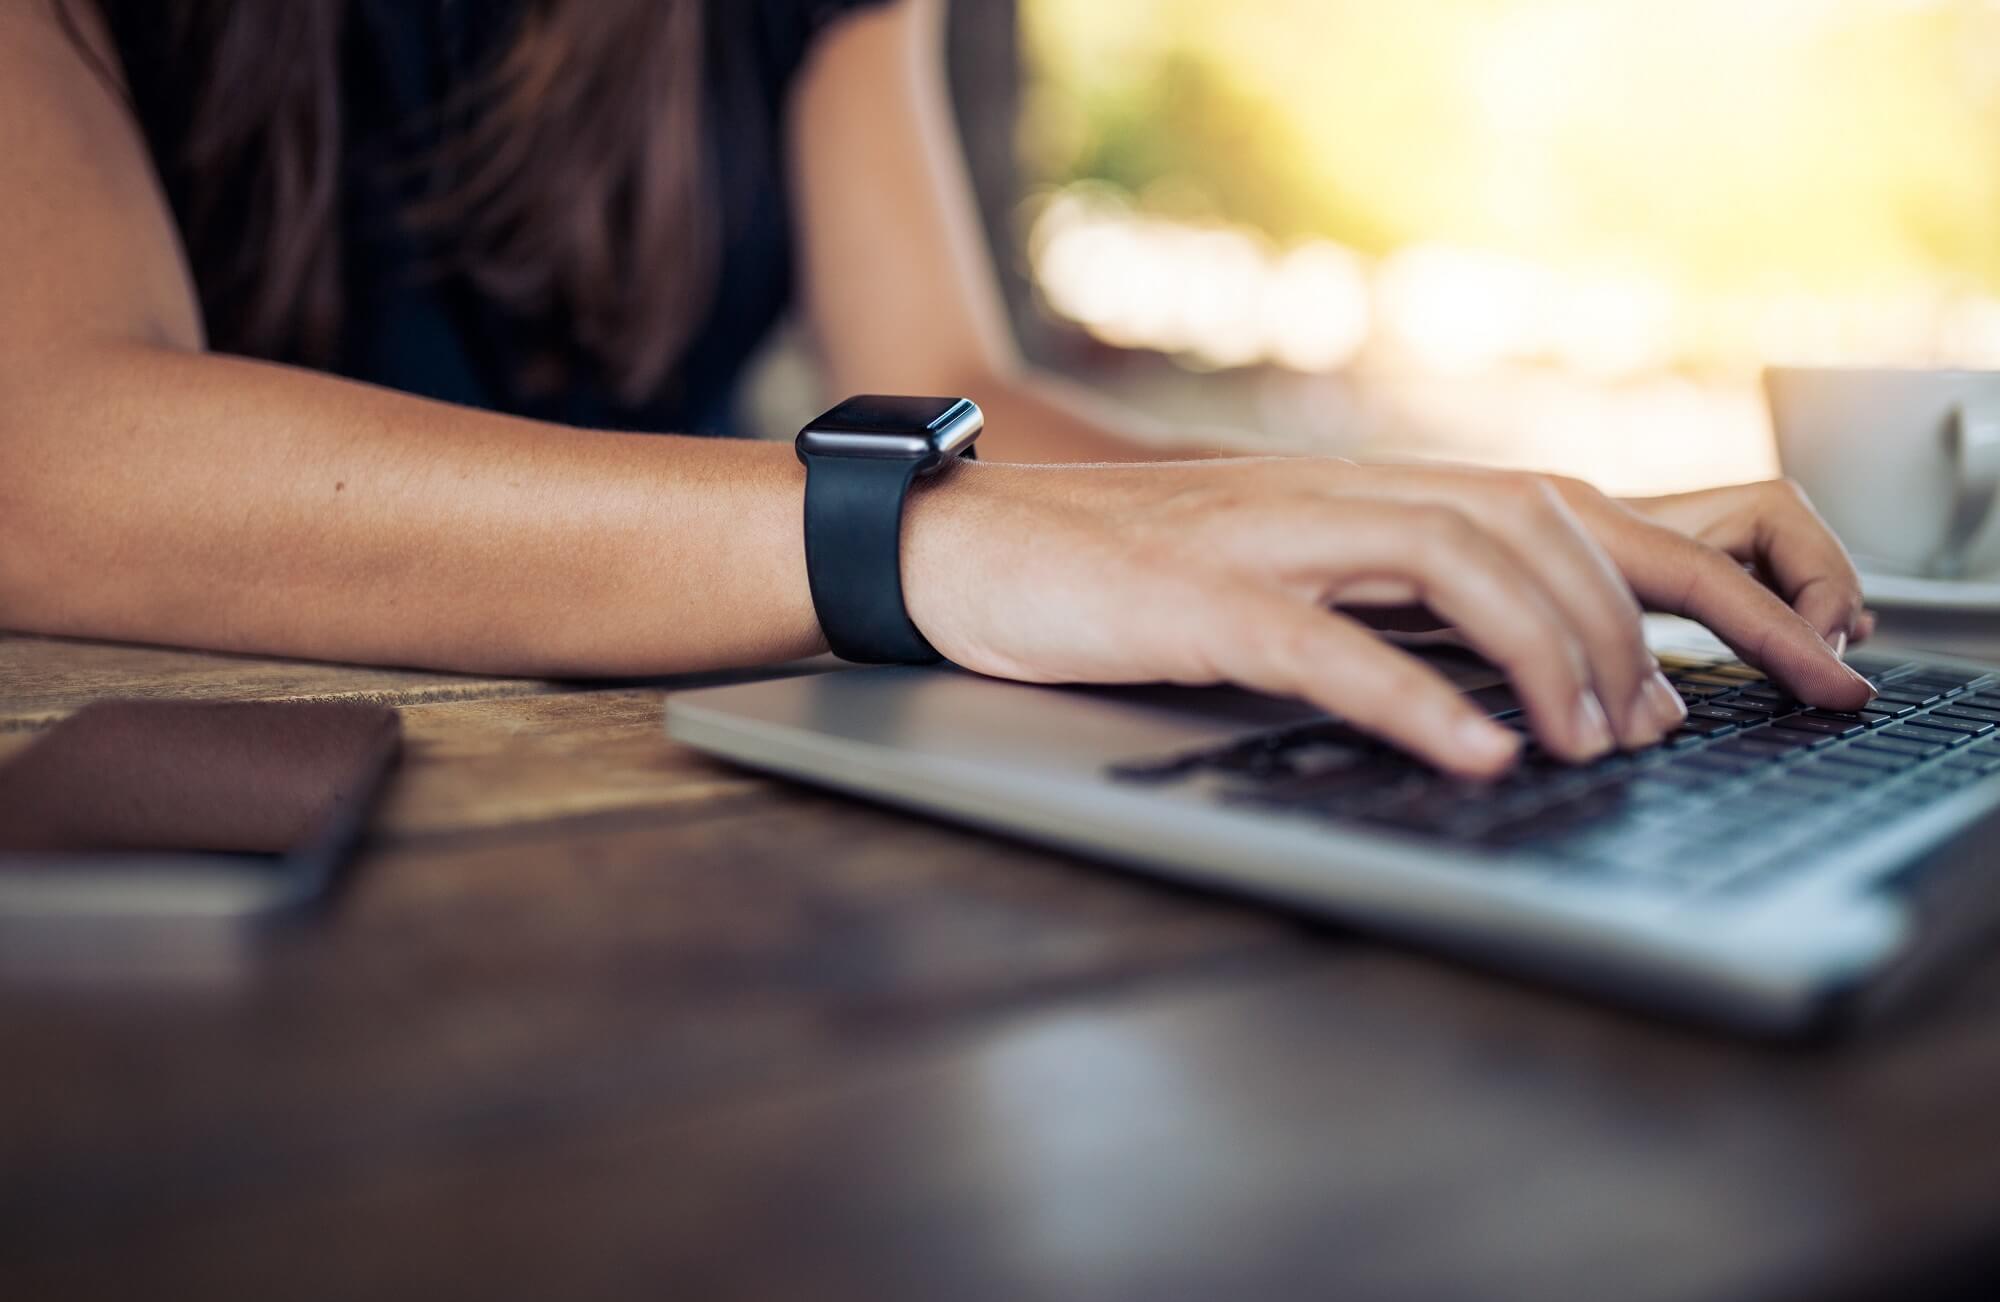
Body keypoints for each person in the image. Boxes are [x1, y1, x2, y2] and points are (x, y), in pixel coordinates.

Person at [0, 0, 1874, 779]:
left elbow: (951, 377)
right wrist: (914, 537)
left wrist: (1447, 505)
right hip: (182, 814)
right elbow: (49, 441)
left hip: (679, 815)